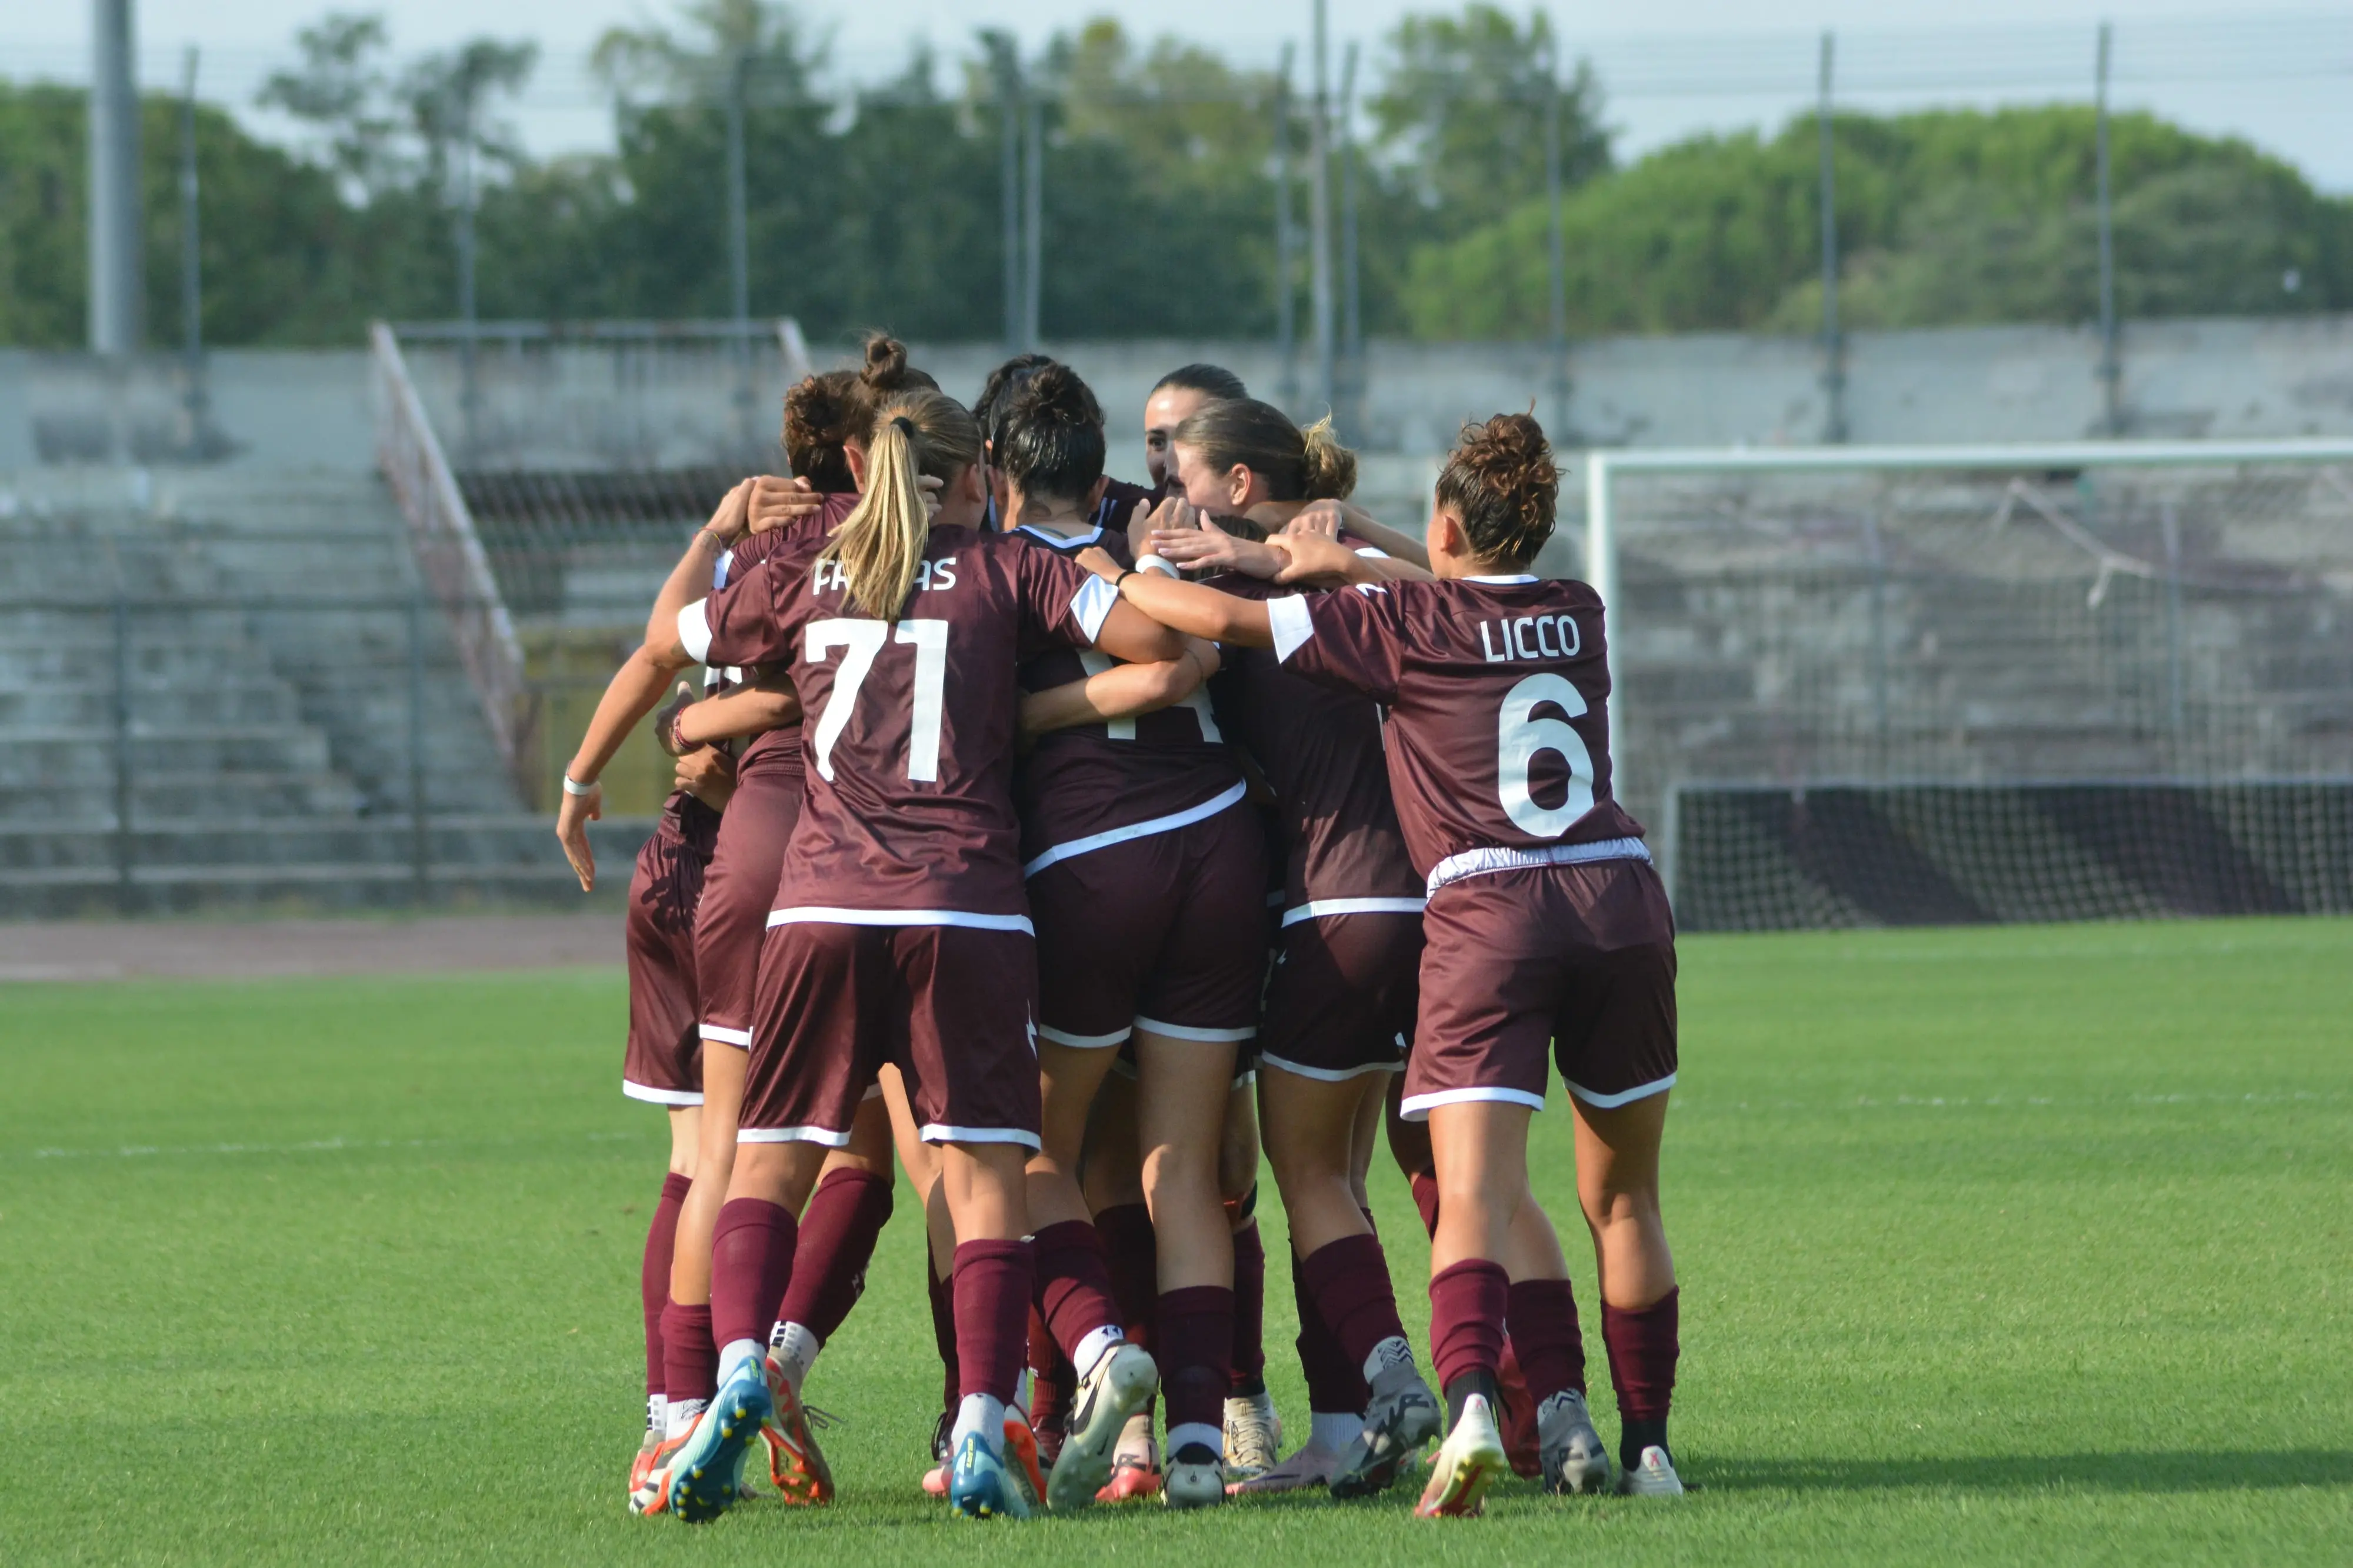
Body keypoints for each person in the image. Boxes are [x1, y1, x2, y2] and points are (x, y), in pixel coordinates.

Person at [1075, 411, 1687, 1517]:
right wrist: (1352, 538)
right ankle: (1613, 1434)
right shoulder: (1577, 610)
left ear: (1449, 521)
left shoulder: (1400, 627)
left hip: (1464, 912)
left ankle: (1438, 1405)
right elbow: (1448, 579)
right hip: (1619, 897)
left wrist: (1103, 570)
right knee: (1617, 1198)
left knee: (1374, 1178)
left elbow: (1215, 619)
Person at [641, 388, 1188, 1523]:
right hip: (966, 910)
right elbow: (1152, 640)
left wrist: (711, 545)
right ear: (978, 470)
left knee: (771, 1162)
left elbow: (669, 641)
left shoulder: (813, 569)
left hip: (820, 904)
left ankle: (740, 1371)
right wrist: (1065, 651)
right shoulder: (1007, 568)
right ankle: (983, 1425)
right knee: (985, 1176)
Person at [1136, 396, 1448, 1499]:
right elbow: (1462, 592)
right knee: (1357, 1180)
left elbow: (1159, 647)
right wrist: (1347, 536)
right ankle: (1341, 1428)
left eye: (1177, 464)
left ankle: (1394, 1374)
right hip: (1434, 906)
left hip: (1336, 905)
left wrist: (1156, 561)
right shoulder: (1360, 575)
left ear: (1233, 486)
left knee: (1305, 1172)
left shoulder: (1231, 587)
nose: (1165, 483)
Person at [989, 364, 1271, 1512]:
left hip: (1092, 861)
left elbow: (1151, 652)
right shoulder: (1160, 524)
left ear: (999, 473)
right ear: (1101, 455)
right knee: (1184, 1168)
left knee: (1027, 1154)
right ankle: (1201, 1440)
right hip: (1222, 842)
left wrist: (1028, 713)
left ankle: (1093, 1360)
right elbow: (1195, 653)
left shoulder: (1002, 561)